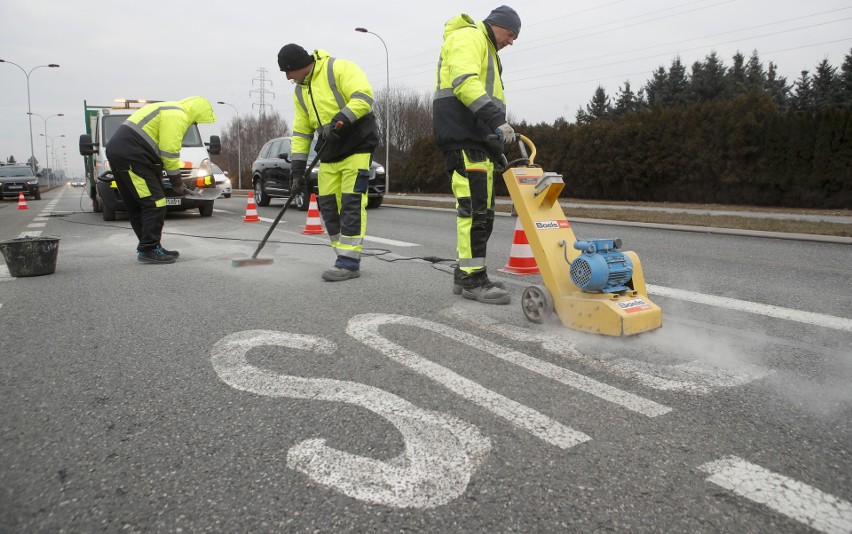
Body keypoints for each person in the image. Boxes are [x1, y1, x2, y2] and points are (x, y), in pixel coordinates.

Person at [433, 5, 521, 305]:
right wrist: (497, 120)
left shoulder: (487, 50)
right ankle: (472, 279)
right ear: (497, 25)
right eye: (511, 34)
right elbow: (463, 81)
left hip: (478, 141)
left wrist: (495, 145)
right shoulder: (469, 37)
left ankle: (468, 272)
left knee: (484, 214)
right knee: (474, 212)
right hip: (463, 138)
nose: (511, 42)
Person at [277, 43, 380, 281]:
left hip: (357, 145)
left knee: (351, 203)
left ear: (298, 66)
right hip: (329, 151)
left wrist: (340, 120)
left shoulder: (339, 68)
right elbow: (302, 133)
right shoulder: (300, 91)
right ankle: (341, 255)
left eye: (288, 72)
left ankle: (348, 262)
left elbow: (363, 98)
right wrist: (296, 172)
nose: (287, 77)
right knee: (328, 205)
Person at [105, 96, 216, 264]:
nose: (194, 123)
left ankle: (151, 245)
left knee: (137, 203)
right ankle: (149, 248)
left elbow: (157, 148)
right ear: (195, 112)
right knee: (155, 202)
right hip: (132, 154)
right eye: (196, 121)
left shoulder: (170, 108)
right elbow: (169, 152)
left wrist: (162, 177)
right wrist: (177, 182)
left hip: (124, 151)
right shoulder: (177, 115)